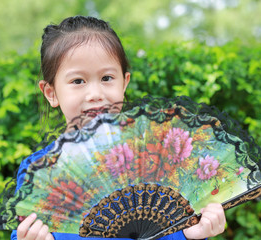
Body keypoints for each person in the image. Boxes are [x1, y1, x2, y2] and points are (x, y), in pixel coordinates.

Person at [11, 16, 226, 240]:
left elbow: (159, 231)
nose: (95, 94)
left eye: (106, 78)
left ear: (124, 83)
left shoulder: (151, 159)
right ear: (51, 93)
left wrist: (190, 234)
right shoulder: (39, 171)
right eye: (78, 81)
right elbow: (21, 231)